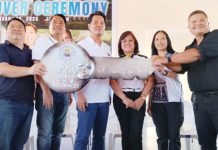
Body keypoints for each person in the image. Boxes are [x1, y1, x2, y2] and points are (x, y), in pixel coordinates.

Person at [152, 10, 218, 150]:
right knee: (206, 142)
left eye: (201, 20)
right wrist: (159, 62)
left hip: (216, 98)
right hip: (198, 101)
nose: (198, 23)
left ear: (208, 23)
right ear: (189, 27)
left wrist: (165, 59)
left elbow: (196, 54)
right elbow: (180, 67)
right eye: (193, 22)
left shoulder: (215, 36)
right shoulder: (189, 48)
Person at [0, 18, 45, 150]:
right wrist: (30, 70)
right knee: (3, 144)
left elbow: (40, 74)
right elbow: (3, 69)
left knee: (19, 144)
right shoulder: (2, 48)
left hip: (27, 104)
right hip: (7, 103)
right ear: (6, 31)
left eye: (20, 26)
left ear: (25, 32)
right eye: (12, 26)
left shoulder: (30, 53)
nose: (16, 28)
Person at [74, 11, 111, 150]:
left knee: (99, 137)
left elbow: (108, 72)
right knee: (82, 137)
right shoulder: (81, 45)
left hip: (103, 100)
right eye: (95, 22)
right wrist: (80, 94)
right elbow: (74, 72)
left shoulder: (107, 48)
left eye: (102, 23)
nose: (99, 25)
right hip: (87, 99)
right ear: (89, 26)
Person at [110, 31, 153, 150]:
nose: (126, 43)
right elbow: (112, 82)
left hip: (138, 97)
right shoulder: (116, 61)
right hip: (121, 98)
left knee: (135, 134)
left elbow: (150, 81)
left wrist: (142, 98)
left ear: (135, 44)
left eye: (130, 40)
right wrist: (124, 98)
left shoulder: (143, 59)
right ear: (120, 44)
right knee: (126, 134)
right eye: (123, 41)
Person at [32, 14, 69, 150]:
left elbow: (67, 71)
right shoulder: (42, 41)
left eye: (61, 22)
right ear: (49, 26)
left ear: (65, 27)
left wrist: (69, 93)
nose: (57, 24)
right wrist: (46, 91)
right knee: (44, 133)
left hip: (63, 92)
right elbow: (37, 68)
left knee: (58, 132)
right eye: (54, 22)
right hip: (46, 91)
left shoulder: (66, 46)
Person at [148, 30, 184, 150]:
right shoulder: (151, 60)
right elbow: (150, 83)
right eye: (157, 39)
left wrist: (163, 70)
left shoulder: (174, 56)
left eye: (163, 38)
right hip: (156, 102)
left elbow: (175, 74)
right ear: (154, 43)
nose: (160, 41)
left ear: (167, 41)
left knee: (174, 137)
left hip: (174, 101)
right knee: (161, 137)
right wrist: (149, 103)